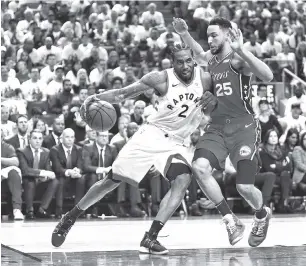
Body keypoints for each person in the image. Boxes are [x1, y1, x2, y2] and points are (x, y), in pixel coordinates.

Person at [51, 43, 217, 255]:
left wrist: (214, 100)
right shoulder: (160, 78)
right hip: (152, 135)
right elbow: (122, 94)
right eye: (179, 61)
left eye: (188, 60)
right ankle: (70, 217)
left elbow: (221, 104)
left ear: (193, 59)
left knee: (182, 180)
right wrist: (95, 98)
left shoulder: (205, 79)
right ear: (172, 63)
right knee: (111, 181)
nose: (185, 65)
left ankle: (150, 237)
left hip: (177, 142)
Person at [173, 17, 273, 247]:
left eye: (214, 35)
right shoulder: (212, 59)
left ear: (227, 36)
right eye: (208, 35)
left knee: (244, 187)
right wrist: (184, 33)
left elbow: (268, 76)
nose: (209, 39)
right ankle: (230, 219)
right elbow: (199, 54)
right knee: (199, 167)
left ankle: (261, 215)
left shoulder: (238, 60)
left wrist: (243, 50)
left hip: (244, 126)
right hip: (217, 125)